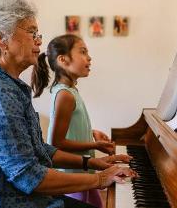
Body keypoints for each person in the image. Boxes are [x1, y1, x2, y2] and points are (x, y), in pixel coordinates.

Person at [0, 0, 136, 208]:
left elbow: (37, 149)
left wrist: (91, 162)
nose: (39, 40)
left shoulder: (8, 84)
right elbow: (27, 176)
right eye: (31, 32)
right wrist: (100, 179)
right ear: (1, 39)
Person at [31, 34, 115, 208]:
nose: (89, 57)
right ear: (63, 60)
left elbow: (70, 128)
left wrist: (91, 133)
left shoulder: (70, 90)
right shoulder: (65, 95)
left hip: (83, 171)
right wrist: (95, 145)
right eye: (83, 52)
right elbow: (56, 142)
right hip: (72, 174)